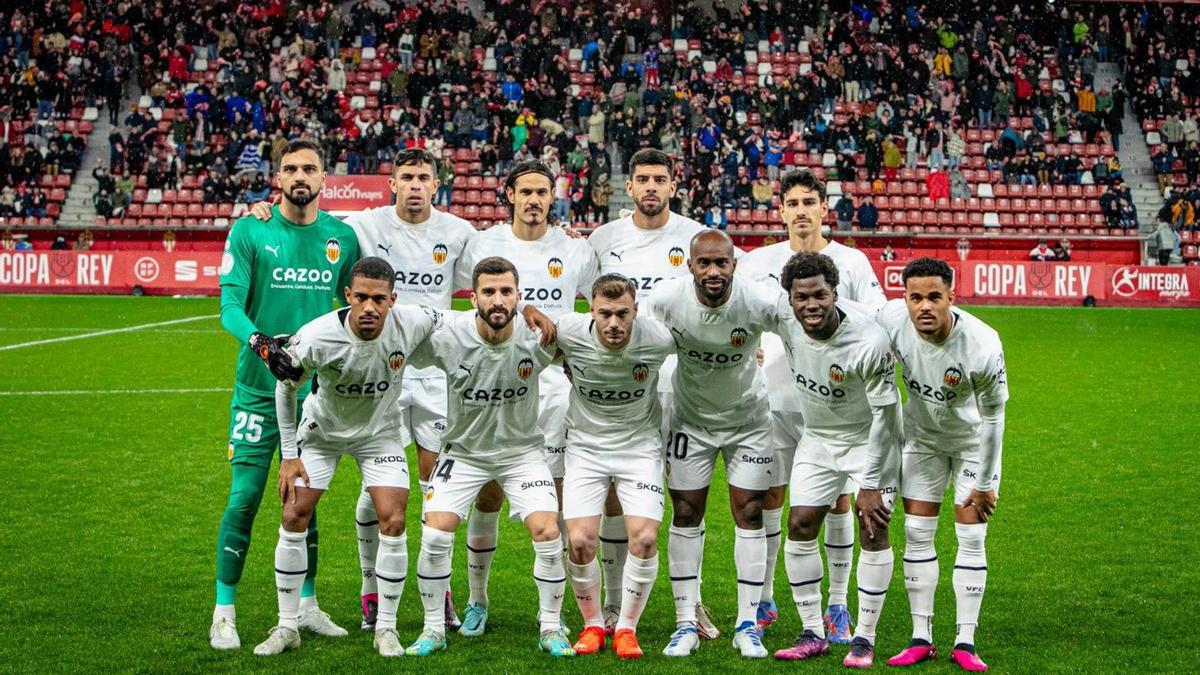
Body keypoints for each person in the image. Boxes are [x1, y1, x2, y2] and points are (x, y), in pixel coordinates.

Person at [249, 147, 479, 632]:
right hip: (368, 364)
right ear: (391, 183)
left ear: (436, 184)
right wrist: (265, 212)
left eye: (424, 177)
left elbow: (486, 283)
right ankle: (369, 585)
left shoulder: (460, 233)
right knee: (380, 488)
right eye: (406, 177)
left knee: (435, 487)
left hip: (429, 369)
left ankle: (441, 590)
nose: (415, 185)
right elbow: (309, 218)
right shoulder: (362, 225)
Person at [210, 139, 360, 650]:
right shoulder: (252, 228)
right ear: (278, 176)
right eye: (292, 168)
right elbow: (230, 305)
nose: (301, 175)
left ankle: (307, 607)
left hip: (317, 398)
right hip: (257, 391)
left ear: (324, 177)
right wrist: (260, 342)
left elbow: (352, 306)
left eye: (310, 168)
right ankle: (223, 611)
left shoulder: (342, 236)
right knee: (246, 496)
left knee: (304, 501)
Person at [251, 258, 439, 657]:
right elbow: (286, 389)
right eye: (362, 298)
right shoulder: (318, 335)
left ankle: (385, 628)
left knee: (394, 518)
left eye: (380, 299)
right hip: (322, 436)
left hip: (380, 436)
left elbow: (458, 321)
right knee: (292, 515)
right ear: (348, 296)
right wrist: (288, 456)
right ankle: (287, 626)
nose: (370, 307)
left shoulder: (414, 320)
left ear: (393, 299)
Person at [453, 161, 600, 637]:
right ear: (509, 195)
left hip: (555, 388)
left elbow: (596, 307)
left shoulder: (575, 248)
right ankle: (477, 600)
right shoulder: (481, 243)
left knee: (553, 499)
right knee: (489, 493)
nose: (535, 199)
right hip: (495, 384)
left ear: (553, 196)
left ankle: (551, 612)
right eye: (526, 192)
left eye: (543, 191)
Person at [741, 169, 886, 641]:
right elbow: (739, 315)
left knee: (838, 503)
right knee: (772, 500)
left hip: (839, 409)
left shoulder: (853, 262)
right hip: (775, 400)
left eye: (810, 201)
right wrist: (750, 347)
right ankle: (764, 599)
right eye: (793, 202)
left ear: (825, 208)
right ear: (780, 209)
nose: (801, 209)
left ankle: (837, 603)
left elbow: (878, 319)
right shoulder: (758, 260)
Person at [404, 256, 572, 658]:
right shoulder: (448, 337)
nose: (498, 300)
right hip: (464, 453)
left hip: (522, 453)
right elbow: (398, 336)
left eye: (506, 292)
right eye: (489, 292)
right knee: (434, 534)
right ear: (473, 296)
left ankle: (551, 627)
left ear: (518, 295)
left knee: (548, 532)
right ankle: (437, 627)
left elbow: (589, 347)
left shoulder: (538, 337)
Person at [586, 148, 718, 638]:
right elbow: (591, 305)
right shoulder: (604, 239)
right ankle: (617, 604)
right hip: (620, 382)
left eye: (659, 179)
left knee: (686, 495)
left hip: (682, 379)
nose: (650, 187)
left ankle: (693, 601)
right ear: (629, 186)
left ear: (673, 184)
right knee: (616, 493)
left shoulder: (695, 237)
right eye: (642, 178)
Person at [646, 230, 781, 659]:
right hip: (691, 421)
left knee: (750, 511)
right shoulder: (667, 299)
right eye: (704, 263)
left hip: (749, 423)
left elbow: (796, 330)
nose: (713, 271)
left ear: (734, 265)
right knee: (685, 511)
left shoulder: (758, 299)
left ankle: (748, 623)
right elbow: (638, 338)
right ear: (690, 266)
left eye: (721, 263)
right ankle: (686, 621)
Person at [770, 253, 902, 668]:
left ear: (835, 293)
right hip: (818, 439)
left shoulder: (868, 339)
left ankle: (864, 636)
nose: (811, 305)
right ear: (789, 299)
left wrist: (871, 483)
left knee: (873, 528)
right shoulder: (784, 319)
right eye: (801, 297)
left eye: (820, 296)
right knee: (800, 524)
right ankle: (812, 631)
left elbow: (888, 415)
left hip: (869, 442)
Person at [879, 258, 1008, 673]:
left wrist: (987, 481)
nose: (925, 306)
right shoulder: (891, 321)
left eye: (935, 296)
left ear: (953, 296)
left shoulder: (983, 345)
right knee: (917, 533)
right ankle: (921, 637)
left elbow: (993, 419)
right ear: (905, 299)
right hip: (921, 441)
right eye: (915, 297)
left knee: (971, 536)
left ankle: (965, 640)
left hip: (972, 445)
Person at [558, 274, 675, 659]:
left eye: (622, 314)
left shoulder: (658, 338)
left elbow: (704, 351)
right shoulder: (569, 331)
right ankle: (593, 624)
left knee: (643, 539)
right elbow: (526, 337)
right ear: (590, 310)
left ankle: (626, 628)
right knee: (579, 543)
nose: (613, 323)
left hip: (639, 448)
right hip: (585, 449)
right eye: (605, 313)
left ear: (635, 311)